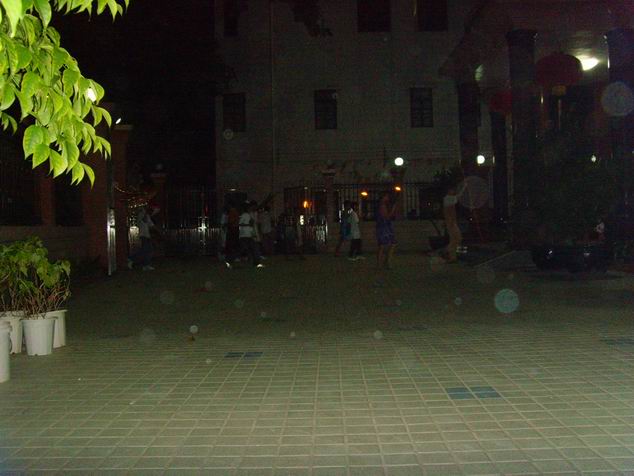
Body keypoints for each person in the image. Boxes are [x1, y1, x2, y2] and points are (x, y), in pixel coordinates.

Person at [128, 204, 157, 271]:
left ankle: (145, 264)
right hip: (143, 235)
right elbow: (145, 220)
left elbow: (151, 225)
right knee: (146, 250)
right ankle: (132, 259)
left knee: (147, 250)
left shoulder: (145, 214)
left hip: (146, 235)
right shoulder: (142, 214)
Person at [376, 192, 397, 269]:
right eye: (386, 196)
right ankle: (384, 262)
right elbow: (387, 216)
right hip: (384, 227)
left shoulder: (382, 205)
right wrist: (393, 209)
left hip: (384, 227)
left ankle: (385, 262)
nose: (388, 197)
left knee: (389, 244)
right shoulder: (382, 205)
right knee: (384, 245)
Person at [443, 185, 462, 263]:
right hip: (451, 222)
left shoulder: (449, 199)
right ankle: (450, 254)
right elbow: (449, 212)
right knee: (455, 239)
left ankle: (452, 255)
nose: (453, 192)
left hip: (452, 222)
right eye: (452, 190)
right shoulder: (448, 199)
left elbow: (458, 196)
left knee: (456, 239)